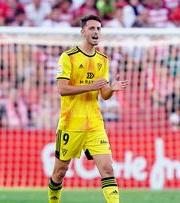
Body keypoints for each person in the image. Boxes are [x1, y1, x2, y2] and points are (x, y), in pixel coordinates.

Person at [47, 15, 129, 203]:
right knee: (59, 173)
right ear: (83, 31)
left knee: (107, 169)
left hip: (94, 124)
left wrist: (111, 90)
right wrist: (90, 86)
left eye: (99, 29)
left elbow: (104, 94)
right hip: (71, 124)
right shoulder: (68, 57)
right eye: (91, 28)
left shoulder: (102, 60)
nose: (96, 32)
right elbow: (62, 89)